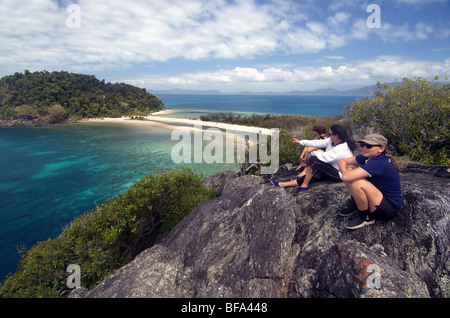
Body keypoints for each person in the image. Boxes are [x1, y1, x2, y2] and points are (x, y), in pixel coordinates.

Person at [338, 134, 403, 230]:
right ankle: (357, 204)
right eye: (362, 144)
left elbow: (346, 177)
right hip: (378, 197)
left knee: (356, 181)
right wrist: (347, 173)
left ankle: (365, 217)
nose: (364, 148)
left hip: (387, 208)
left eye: (369, 146)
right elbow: (342, 162)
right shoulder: (368, 157)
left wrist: (347, 174)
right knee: (352, 171)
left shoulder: (378, 162)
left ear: (381, 149)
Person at [273, 124, 355, 193]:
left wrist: (313, 153)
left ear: (336, 136)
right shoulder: (332, 141)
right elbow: (317, 143)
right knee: (312, 173)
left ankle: (304, 185)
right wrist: (300, 142)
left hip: (340, 174)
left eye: (330, 134)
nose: (329, 136)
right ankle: (283, 184)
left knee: (314, 161)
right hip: (333, 168)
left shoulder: (342, 148)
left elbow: (326, 158)